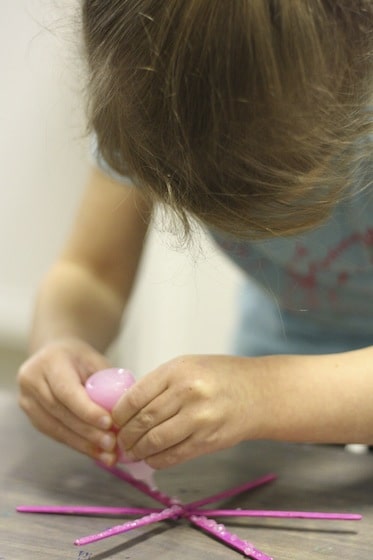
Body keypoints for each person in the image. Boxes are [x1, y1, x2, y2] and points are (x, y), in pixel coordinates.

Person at [17, 1, 373, 470]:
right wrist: (59, 342)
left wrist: (262, 393)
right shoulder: (144, 91)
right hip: (279, 403)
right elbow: (91, 274)